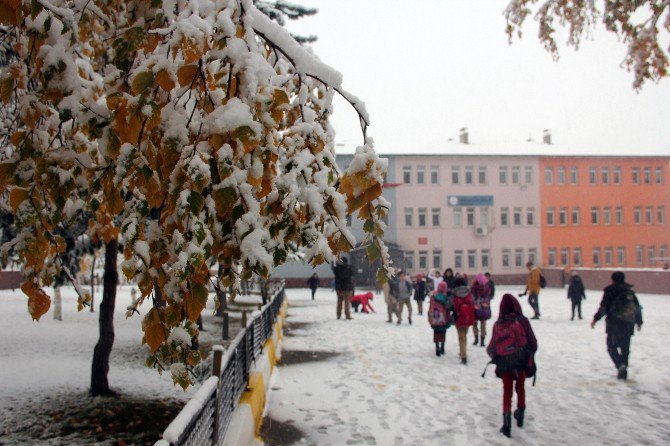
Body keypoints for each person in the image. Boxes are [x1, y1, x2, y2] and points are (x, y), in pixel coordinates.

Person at [486, 294, 538, 438]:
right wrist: (528, 355)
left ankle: (507, 423)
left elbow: (491, 348)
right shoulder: (522, 321)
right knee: (520, 388)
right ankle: (520, 413)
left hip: (505, 364)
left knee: (507, 392)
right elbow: (533, 342)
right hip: (520, 362)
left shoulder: (499, 324)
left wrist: (499, 358)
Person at [591, 271, 643, 380]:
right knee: (625, 348)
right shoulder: (630, 291)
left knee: (611, 346)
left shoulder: (610, 290)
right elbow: (637, 308)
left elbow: (604, 307)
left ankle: (620, 365)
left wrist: (595, 319)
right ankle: (623, 369)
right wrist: (639, 322)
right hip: (628, 323)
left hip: (614, 323)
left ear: (613, 279)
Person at [452, 276, 475, 364]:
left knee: (461, 336)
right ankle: (463, 352)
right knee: (464, 335)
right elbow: (473, 303)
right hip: (468, 316)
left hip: (458, 317)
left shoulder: (454, 293)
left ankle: (463, 355)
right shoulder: (469, 292)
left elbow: (451, 305)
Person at [429, 281, 454, 356]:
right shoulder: (446, 296)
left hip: (435, 317)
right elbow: (448, 307)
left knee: (436, 332)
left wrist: (430, 317)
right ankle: (442, 347)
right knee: (443, 332)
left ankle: (437, 347)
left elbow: (430, 307)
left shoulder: (433, 295)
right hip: (444, 318)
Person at [471, 273, 493, 347]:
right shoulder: (486, 287)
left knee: (474, 324)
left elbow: (472, 296)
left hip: (475, 307)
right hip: (484, 307)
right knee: (483, 324)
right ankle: (482, 341)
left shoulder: (474, 287)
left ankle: (476, 338)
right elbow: (488, 296)